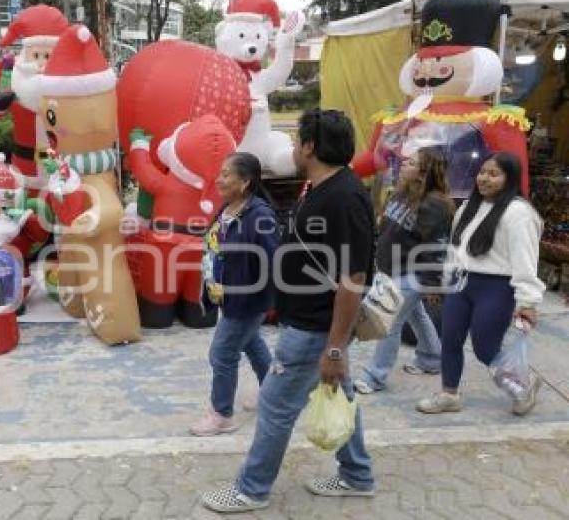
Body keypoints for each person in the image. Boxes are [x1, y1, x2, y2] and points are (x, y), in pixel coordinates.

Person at [201, 109, 376, 513]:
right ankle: (357, 474)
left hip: (315, 328)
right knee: (339, 395)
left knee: (276, 406)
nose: (294, 147)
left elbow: (353, 279)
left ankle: (252, 489)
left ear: (311, 146)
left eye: (298, 140)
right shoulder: (320, 188)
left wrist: (334, 348)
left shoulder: (345, 197)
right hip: (309, 321)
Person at [417, 152, 545, 416]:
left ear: (509, 179)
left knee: (485, 349)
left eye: (493, 174)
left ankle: (523, 385)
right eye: (482, 172)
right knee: (449, 340)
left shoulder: (519, 213)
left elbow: (526, 260)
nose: (484, 178)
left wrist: (528, 302)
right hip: (461, 285)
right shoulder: (467, 207)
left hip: (495, 289)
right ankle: (449, 394)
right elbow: (455, 250)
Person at [191, 152, 279, 436]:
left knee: (222, 353)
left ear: (245, 181)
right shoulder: (228, 208)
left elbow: (274, 260)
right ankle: (272, 391)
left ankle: (222, 415)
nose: (219, 179)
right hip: (226, 296)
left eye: (226, 174)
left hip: (246, 300)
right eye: (220, 173)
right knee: (251, 342)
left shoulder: (260, 216)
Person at [354, 147, 455, 394]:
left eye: (411, 162)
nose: (404, 164)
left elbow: (435, 247)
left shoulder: (436, 205)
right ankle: (431, 358)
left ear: (424, 172)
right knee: (415, 315)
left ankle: (375, 376)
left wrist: (433, 284)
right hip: (391, 270)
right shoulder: (402, 193)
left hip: (413, 274)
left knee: (388, 321)